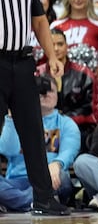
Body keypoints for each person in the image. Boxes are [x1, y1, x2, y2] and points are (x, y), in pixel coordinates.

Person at [0, 0, 69, 215]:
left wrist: (51, 56)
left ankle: (44, 199)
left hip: (24, 61)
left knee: (32, 130)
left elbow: (39, 21)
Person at [0, 75, 80, 211]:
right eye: (40, 91)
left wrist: (57, 164)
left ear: (57, 96)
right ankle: (37, 202)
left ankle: (19, 202)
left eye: (51, 90)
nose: (45, 94)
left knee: (59, 178)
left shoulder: (66, 123)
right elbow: (9, 150)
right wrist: (11, 117)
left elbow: (69, 150)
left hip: (51, 177)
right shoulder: (15, 122)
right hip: (18, 180)